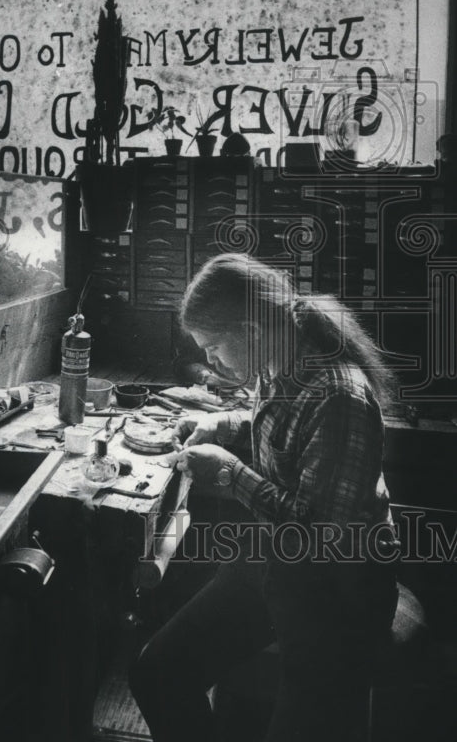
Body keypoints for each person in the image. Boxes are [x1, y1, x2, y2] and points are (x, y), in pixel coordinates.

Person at [129, 253, 399, 742]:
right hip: (277, 558)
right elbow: (277, 421)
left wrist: (231, 475)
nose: (210, 362)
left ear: (251, 328)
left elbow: (321, 536)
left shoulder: (339, 395)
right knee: (157, 673)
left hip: (338, 589)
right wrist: (221, 423)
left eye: (213, 347)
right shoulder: (281, 360)